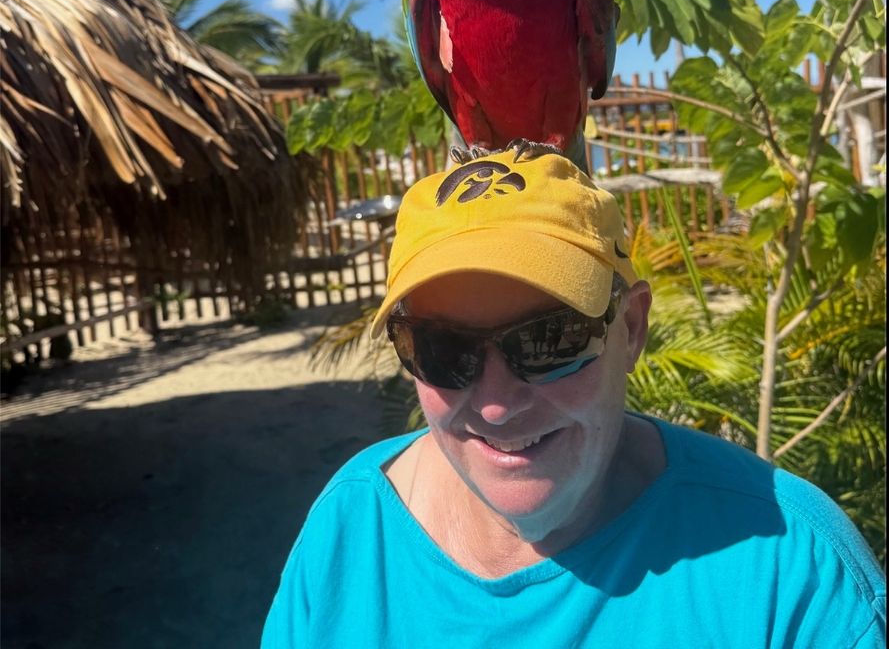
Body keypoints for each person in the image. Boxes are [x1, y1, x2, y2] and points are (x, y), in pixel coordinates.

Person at [262, 144, 885, 648]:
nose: (497, 404)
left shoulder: (787, 566)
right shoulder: (351, 528)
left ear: (633, 328)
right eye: (442, 348)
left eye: (550, 339)